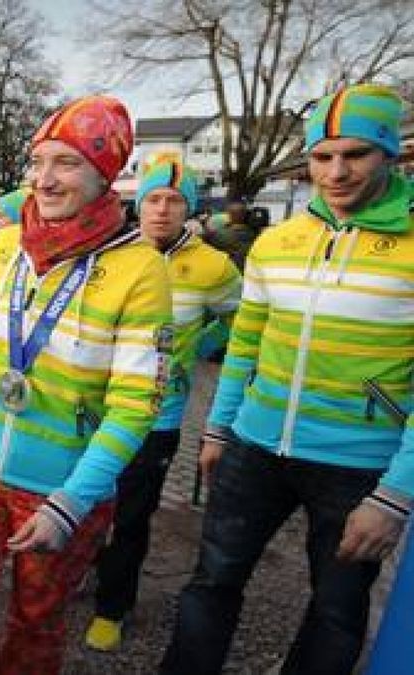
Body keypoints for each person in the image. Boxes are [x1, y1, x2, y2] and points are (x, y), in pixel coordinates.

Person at [162, 83, 414, 675]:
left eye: (356, 154)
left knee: (335, 610)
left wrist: (395, 495)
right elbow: (246, 343)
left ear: (390, 155)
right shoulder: (277, 242)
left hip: (358, 465)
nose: (337, 171)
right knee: (211, 582)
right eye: (323, 157)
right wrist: (219, 430)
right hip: (255, 446)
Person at [0, 95, 172, 674]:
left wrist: (71, 503)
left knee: (37, 624)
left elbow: (136, 407)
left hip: (62, 488)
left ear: (105, 173)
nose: (45, 180)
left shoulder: (140, 268)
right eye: (39, 161)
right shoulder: (5, 246)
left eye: (68, 163)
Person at [84, 159, 241, 651]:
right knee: (90, 500)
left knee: (132, 513)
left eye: (174, 201)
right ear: (139, 204)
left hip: (160, 413)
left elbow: (244, 318)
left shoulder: (214, 266)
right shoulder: (115, 252)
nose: (162, 209)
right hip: (96, 405)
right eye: (154, 199)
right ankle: (88, 571)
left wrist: (199, 345)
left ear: (189, 209)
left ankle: (112, 607)